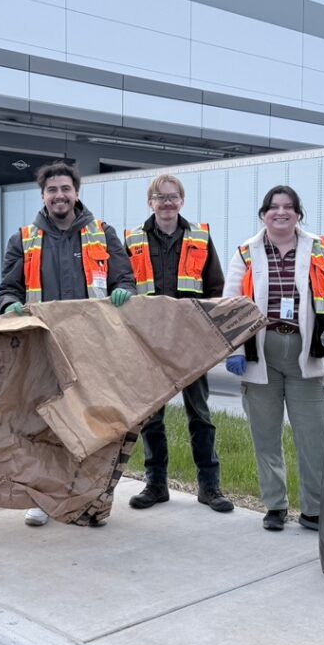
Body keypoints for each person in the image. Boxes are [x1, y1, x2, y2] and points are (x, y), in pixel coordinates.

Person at [0, 160, 136, 526]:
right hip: (44, 348)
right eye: (52, 190)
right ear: (43, 195)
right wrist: (8, 305)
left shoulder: (102, 233)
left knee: (93, 425)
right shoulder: (23, 239)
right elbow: (8, 288)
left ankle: (91, 499)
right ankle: (42, 499)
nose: (59, 195)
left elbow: (125, 277)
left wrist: (124, 290)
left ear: (76, 193)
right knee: (45, 426)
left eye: (65, 189)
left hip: (94, 348)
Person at [222, 185, 324, 532]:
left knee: (315, 437)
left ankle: (314, 510)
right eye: (273, 207)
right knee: (266, 435)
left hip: (307, 351)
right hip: (261, 350)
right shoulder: (246, 252)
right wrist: (234, 350)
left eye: (288, 207)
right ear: (263, 214)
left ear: (298, 214)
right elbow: (230, 305)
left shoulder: (319, 249)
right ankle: (275, 505)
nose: (281, 212)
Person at [122, 174, 232, 513]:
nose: (167, 202)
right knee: (152, 418)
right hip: (149, 343)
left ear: (182, 201)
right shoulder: (133, 240)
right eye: (160, 197)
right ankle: (156, 485)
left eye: (173, 197)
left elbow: (216, 289)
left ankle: (209, 487)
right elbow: (123, 285)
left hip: (190, 343)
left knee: (200, 415)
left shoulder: (200, 238)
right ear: (150, 202)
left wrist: (207, 334)